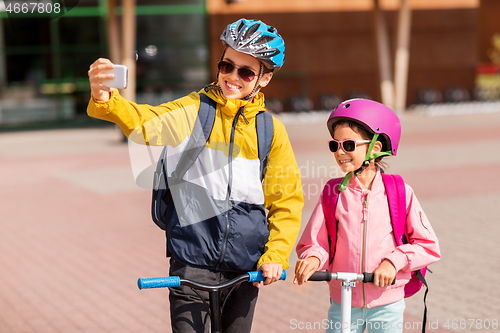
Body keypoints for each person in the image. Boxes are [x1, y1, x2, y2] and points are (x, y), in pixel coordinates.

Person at [87, 19, 303, 333]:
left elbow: (286, 201)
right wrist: (107, 100)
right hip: (191, 262)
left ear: (265, 78)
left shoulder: (270, 131)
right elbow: (147, 122)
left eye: (245, 72)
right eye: (226, 65)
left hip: (245, 268)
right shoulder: (195, 110)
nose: (231, 78)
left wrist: (276, 255)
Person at [293, 99, 440, 333]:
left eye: (348, 145)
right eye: (335, 145)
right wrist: (312, 258)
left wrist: (394, 261)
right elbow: (316, 243)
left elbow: (428, 245)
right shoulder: (332, 193)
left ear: (374, 147)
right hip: (343, 302)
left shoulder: (401, 192)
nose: (339, 152)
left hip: (387, 303)